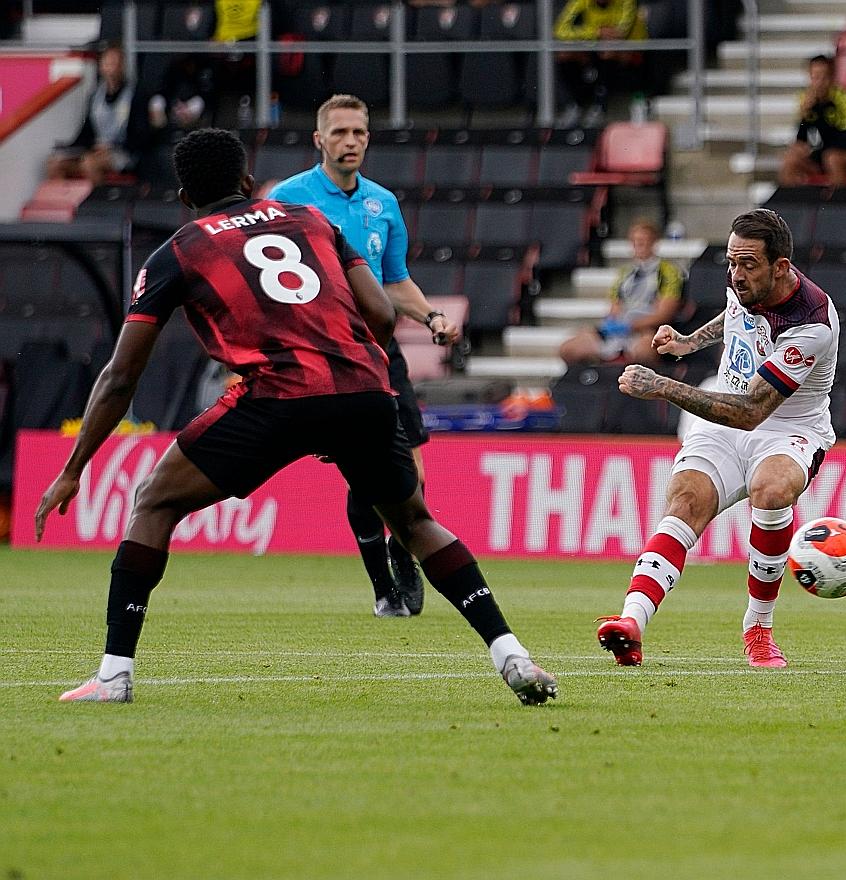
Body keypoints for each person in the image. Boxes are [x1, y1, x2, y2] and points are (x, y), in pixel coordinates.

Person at [34, 128, 556, 705]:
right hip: (363, 387)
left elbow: (121, 375)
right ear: (249, 183)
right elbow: (382, 313)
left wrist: (75, 465)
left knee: (155, 502)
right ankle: (512, 654)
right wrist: (353, 391)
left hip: (277, 395)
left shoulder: (180, 251)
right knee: (414, 522)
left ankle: (113, 676)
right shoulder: (312, 221)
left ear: (184, 197)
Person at [595, 209, 839, 668]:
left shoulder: (811, 326)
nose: (736, 273)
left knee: (771, 491)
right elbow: (735, 316)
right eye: (731, 262)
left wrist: (662, 385)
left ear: (781, 267)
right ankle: (630, 624)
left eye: (747, 264)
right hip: (723, 422)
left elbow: (750, 412)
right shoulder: (746, 283)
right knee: (685, 501)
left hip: (787, 429)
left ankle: (758, 629)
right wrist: (689, 342)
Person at [268, 94, 462, 619]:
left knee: (411, 471)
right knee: (364, 471)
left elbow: (394, 280)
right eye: (339, 133)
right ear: (319, 140)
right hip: (327, 354)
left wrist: (431, 317)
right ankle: (384, 587)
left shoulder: (383, 203)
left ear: (368, 137)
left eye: (358, 132)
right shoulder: (289, 200)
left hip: (381, 350)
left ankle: (404, 561)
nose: (349, 141)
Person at [558, 219, 690, 367]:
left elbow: (664, 313)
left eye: (643, 240)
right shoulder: (624, 273)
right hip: (619, 329)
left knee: (643, 353)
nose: (639, 245)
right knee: (569, 349)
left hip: (646, 329)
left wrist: (632, 325)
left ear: (654, 242)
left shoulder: (669, 272)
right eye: (635, 241)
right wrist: (613, 324)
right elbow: (615, 306)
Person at [46, 46, 152, 185]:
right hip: (96, 149)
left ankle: (97, 203)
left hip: (123, 151)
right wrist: (70, 148)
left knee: (89, 164)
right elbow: (87, 131)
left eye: (114, 63)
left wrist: (110, 146)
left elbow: (140, 134)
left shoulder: (135, 95)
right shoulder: (95, 96)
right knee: (55, 164)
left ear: (122, 67)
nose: (110, 68)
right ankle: (63, 203)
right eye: (107, 63)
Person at [779, 55, 846, 187]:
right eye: (815, 77)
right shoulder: (807, 99)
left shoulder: (845, 98)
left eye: (824, 77)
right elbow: (802, 137)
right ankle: (792, 203)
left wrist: (820, 110)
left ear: (832, 77)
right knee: (791, 158)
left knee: (833, 158)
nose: (819, 82)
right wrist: (805, 114)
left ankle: (836, 203)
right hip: (825, 153)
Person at [554, 0, 647, 128]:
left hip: (628, 49)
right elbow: (559, 30)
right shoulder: (580, 1)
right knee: (564, 53)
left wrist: (603, 35)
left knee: (608, 49)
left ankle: (600, 105)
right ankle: (575, 103)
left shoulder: (626, 2)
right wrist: (595, 32)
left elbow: (621, 32)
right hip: (594, 46)